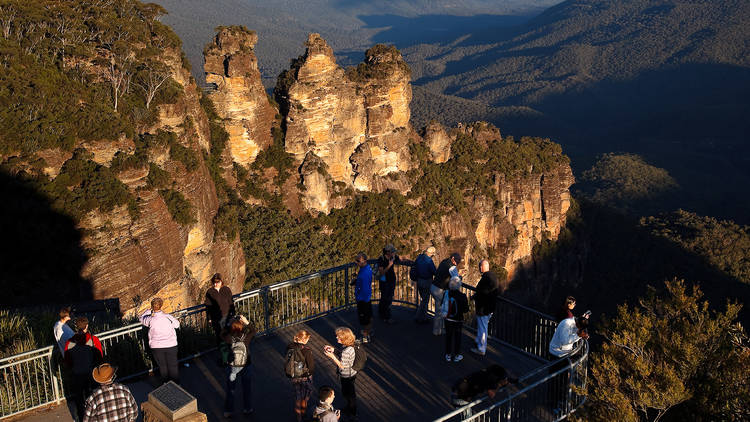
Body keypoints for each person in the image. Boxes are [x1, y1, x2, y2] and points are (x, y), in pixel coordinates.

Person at [64, 330, 103, 421]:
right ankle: (94, 416)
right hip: (90, 375)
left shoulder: (70, 348)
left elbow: (68, 362)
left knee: (79, 399)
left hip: (77, 376)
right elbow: (99, 357)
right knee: (92, 397)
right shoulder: (92, 345)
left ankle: (82, 418)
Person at [451, 365, 517, 417]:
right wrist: (500, 385)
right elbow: (491, 394)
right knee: (466, 417)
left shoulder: (487, 374)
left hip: (461, 392)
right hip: (460, 398)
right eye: (504, 379)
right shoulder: (489, 380)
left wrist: (505, 382)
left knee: (467, 416)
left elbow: (506, 379)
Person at [222, 314, 256, 418]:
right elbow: (253, 331)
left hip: (232, 366)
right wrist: (246, 322)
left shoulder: (228, 338)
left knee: (231, 389)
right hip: (246, 364)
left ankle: (229, 411)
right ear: (241, 326)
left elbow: (221, 333)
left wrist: (228, 323)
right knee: (246, 388)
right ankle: (247, 408)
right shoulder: (246, 338)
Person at [140, 297, 180, 384]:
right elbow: (177, 325)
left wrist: (148, 311)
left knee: (163, 366)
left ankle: (166, 384)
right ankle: (177, 385)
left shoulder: (150, 319)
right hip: (171, 345)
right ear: (161, 306)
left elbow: (141, 318)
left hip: (157, 347)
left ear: (152, 307)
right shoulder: (168, 317)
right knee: (173, 366)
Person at [323, 327, 358, 419]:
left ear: (344, 338)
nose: (336, 338)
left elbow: (342, 365)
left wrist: (332, 356)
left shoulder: (347, 350)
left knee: (350, 395)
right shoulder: (348, 346)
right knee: (347, 393)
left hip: (347, 375)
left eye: (338, 337)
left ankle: (353, 413)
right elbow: (342, 355)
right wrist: (333, 350)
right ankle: (349, 408)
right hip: (350, 374)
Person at [375, 244, 411, 324]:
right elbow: (381, 273)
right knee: (386, 299)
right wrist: (389, 265)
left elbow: (401, 259)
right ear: (388, 252)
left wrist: (409, 260)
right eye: (393, 252)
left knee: (387, 298)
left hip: (391, 281)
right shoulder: (381, 259)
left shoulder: (393, 257)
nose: (394, 253)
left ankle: (382, 314)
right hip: (384, 282)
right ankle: (387, 317)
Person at [470, 260, 498, 357]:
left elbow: (483, 293)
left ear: (482, 267)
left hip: (484, 308)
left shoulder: (486, 279)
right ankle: (478, 341)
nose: (479, 269)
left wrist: (474, 297)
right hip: (489, 307)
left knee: (483, 328)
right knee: (482, 326)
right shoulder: (492, 276)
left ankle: (481, 348)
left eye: (479, 267)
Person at [287, 330, 316, 422]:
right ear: (304, 339)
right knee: (305, 396)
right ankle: (304, 414)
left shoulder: (289, 347)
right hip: (305, 377)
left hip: (294, 376)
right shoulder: (307, 351)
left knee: (297, 398)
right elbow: (311, 367)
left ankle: (299, 418)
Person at [431, 252, 462, 335]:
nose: (458, 262)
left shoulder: (444, 261)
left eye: (459, 260)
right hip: (439, 290)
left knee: (440, 310)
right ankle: (437, 331)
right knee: (440, 311)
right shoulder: (452, 267)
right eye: (457, 260)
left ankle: (439, 329)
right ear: (452, 258)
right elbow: (456, 280)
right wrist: (460, 278)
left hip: (433, 286)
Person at [442, 276, 469, 362]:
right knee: (457, 337)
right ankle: (457, 355)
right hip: (458, 320)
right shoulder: (462, 296)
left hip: (448, 319)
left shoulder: (446, 293)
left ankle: (448, 355)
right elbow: (466, 310)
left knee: (448, 337)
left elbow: (443, 304)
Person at [205, 273, 235, 343]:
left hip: (227, 316)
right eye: (214, 282)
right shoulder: (210, 292)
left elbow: (231, 302)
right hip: (216, 318)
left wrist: (233, 313)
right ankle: (222, 352)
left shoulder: (226, 289)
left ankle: (230, 351)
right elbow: (208, 306)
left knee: (228, 335)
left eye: (217, 282)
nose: (215, 284)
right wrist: (209, 318)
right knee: (219, 336)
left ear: (221, 281)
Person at [351, 252, 373, 342]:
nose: (357, 262)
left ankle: (365, 337)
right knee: (368, 316)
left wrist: (358, 296)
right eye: (356, 260)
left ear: (364, 260)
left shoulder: (364, 273)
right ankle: (368, 331)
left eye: (358, 261)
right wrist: (356, 280)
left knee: (365, 319)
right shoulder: (366, 268)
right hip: (366, 297)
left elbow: (363, 286)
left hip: (363, 298)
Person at [412, 246, 437, 324]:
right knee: (425, 300)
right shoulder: (429, 261)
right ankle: (418, 316)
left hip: (419, 280)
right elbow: (434, 271)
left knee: (423, 298)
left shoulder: (419, 257)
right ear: (431, 254)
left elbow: (415, 265)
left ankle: (424, 317)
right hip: (427, 282)